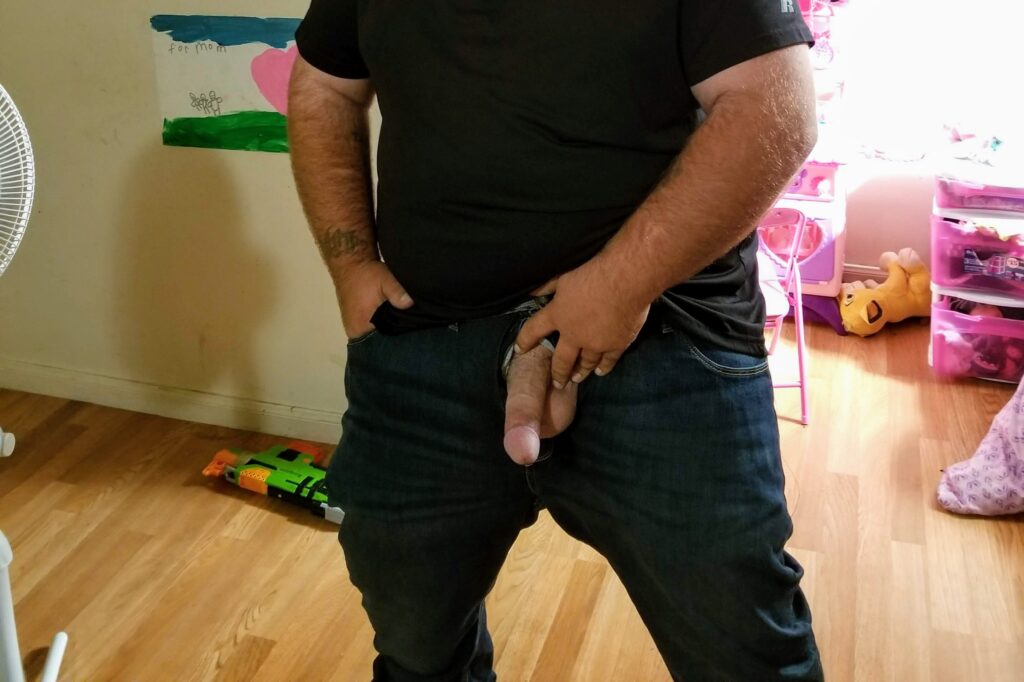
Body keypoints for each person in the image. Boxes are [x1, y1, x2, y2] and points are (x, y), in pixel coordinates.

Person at [288, 2, 824, 680]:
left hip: (661, 342)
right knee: (416, 647)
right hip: (425, 343)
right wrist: (349, 265)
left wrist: (619, 286)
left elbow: (774, 107)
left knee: (745, 653)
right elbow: (324, 85)